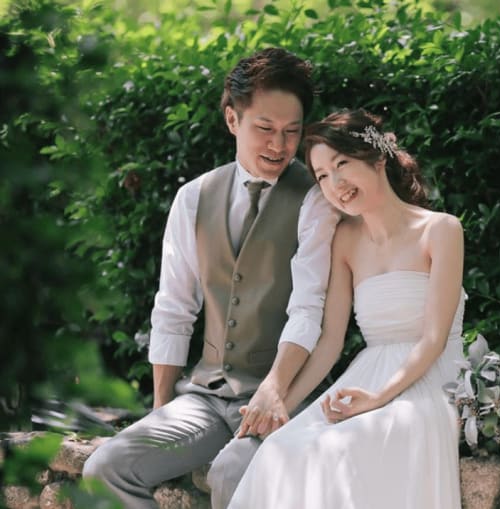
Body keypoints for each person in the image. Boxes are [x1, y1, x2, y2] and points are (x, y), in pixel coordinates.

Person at [82, 47, 340, 509]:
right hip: (205, 396)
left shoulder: (315, 200)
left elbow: (308, 309)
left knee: (232, 473)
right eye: (265, 129)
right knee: (105, 469)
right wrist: (161, 410)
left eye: (291, 132)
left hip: (286, 393)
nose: (278, 146)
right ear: (232, 120)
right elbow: (174, 308)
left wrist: (274, 389)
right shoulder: (192, 197)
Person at [228, 109, 466, 508]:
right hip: (367, 374)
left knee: (344, 448)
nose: (335, 184)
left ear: (377, 158)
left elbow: (433, 339)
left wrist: (378, 398)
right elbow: (329, 343)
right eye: (322, 176)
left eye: (341, 165)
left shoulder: (441, 230)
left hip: (428, 381)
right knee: (282, 448)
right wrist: (282, 407)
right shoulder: (345, 240)